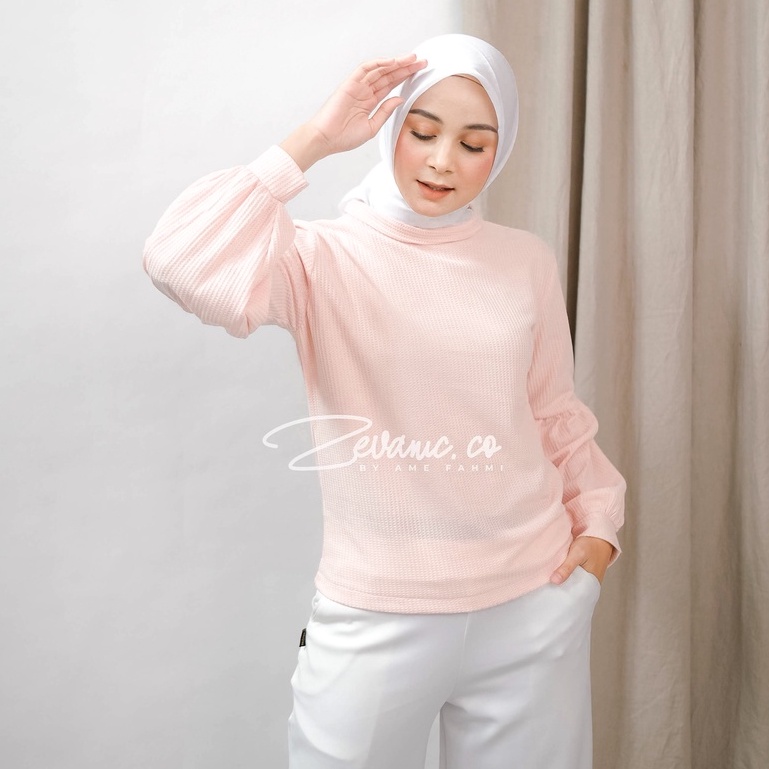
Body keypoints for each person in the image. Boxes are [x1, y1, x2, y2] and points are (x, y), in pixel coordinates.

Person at [142, 33, 626, 769]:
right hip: (378, 610)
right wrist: (313, 139)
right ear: (392, 127)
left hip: (534, 597)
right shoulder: (318, 257)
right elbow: (177, 260)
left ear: (500, 151)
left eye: (473, 143)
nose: (442, 161)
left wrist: (597, 533)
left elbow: (552, 412)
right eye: (422, 132)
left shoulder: (524, 259)